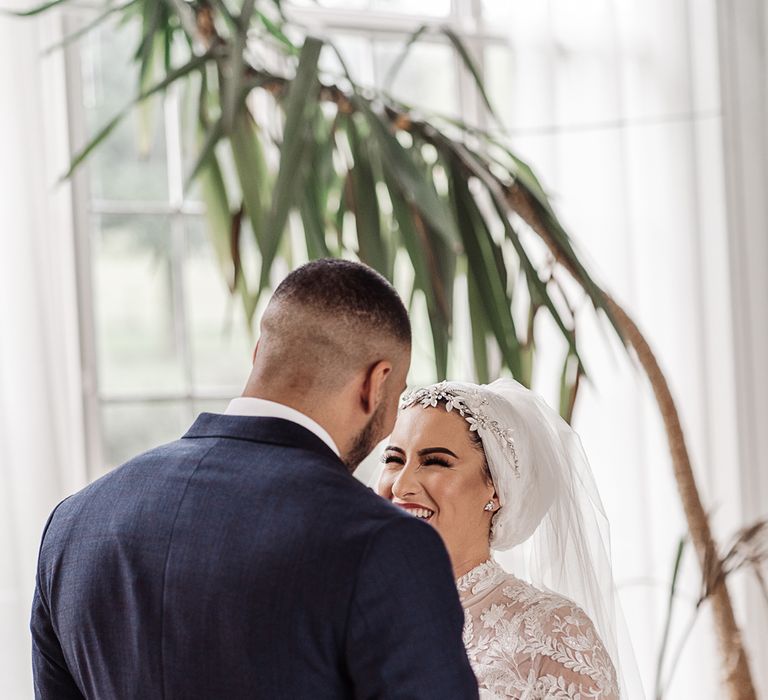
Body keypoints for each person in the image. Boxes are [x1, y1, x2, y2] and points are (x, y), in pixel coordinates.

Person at [31, 260, 479, 699]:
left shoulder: (73, 524)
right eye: (397, 396)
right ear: (376, 384)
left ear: (258, 354)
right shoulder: (385, 543)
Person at [377, 379, 640, 699]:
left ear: (496, 488)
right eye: (394, 459)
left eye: (435, 462)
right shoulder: (351, 611)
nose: (401, 485)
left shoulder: (551, 631)